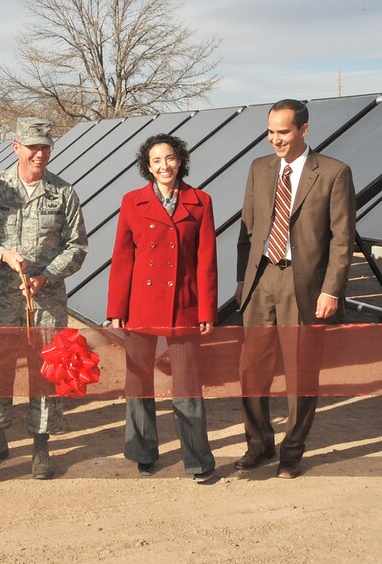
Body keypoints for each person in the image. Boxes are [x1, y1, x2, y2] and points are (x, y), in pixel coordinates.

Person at [0, 117, 88, 479]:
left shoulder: (63, 193)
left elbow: (77, 246)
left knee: (48, 368)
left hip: (46, 300)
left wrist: (45, 277)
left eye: (45, 146)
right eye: (32, 146)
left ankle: (42, 445)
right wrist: (1, 253)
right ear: (16, 146)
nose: (39, 153)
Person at [235, 99, 356, 479]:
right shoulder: (259, 168)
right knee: (251, 370)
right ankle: (259, 444)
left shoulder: (334, 173)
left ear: (304, 130)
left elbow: (342, 239)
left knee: (300, 372)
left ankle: (291, 452)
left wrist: (331, 289)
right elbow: (247, 230)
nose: (276, 140)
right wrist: (242, 282)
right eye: (271, 132)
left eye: (283, 132)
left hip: (303, 285)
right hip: (260, 281)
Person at [107, 133, 218, 483]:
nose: (164, 166)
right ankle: (142, 452)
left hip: (184, 305)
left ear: (180, 160)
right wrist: (116, 308)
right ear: (148, 166)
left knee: (187, 385)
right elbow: (123, 258)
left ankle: (198, 459)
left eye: (169, 158)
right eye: (156, 160)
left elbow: (206, 260)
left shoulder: (201, 201)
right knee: (139, 382)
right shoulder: (131, 202)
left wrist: (207, 311)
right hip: (141, 305)